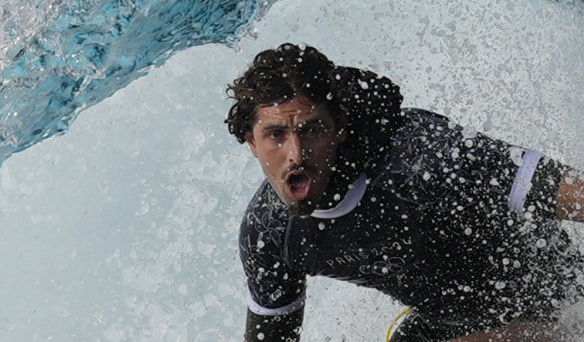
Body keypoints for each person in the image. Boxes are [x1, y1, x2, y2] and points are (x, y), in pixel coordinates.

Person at [225, 43, 584, 342]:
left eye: (313, 130)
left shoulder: (419, 156)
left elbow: (568, 192)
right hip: (438, 330)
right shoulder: (268, 233)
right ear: (251, 143)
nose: (296, 153)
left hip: (557, 303)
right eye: (276, 135)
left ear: (341, 128)